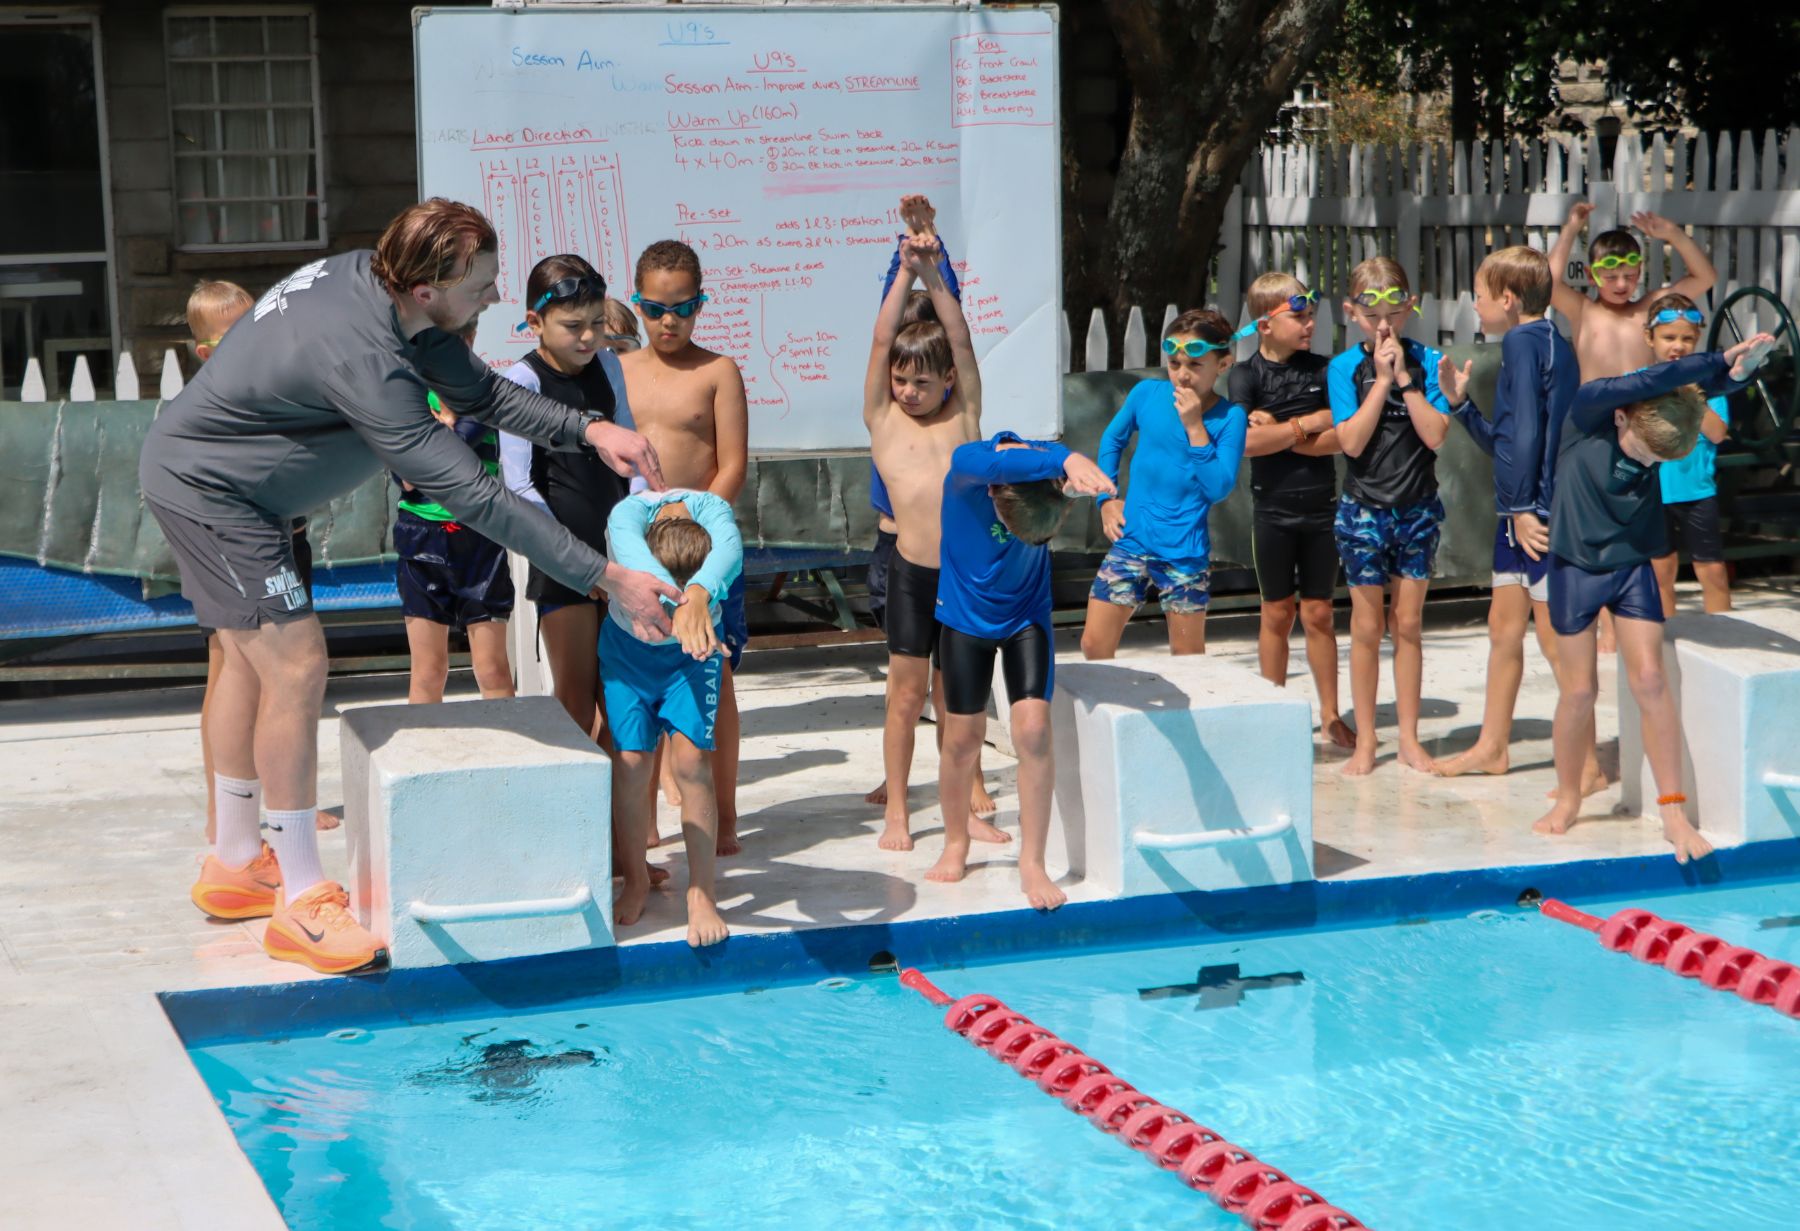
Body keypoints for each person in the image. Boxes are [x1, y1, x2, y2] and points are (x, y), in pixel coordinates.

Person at [143, 199, 676, 974]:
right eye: (483, 284)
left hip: (235, 483)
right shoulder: (369, 358)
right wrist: (604, 576)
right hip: (218, 494)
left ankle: (233, 861)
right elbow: (478, 497)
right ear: (429, 289)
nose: (494, 297)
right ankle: (299, 900)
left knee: (242, 658)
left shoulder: (378, 282)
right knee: (294, 664)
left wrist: (591, 428)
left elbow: (485, 396)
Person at [1532, 335, 1772, 861]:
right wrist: (1717, 359)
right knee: (1578, 693)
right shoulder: (1589, 412)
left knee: (1650, 681)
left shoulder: (1658, 426)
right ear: (1623, 419)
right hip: (1574, 566)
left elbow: (1688, 395)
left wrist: (1737, 374)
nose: (1646, 462)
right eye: (1643, 451)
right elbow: (1649, 380)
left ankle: (1672, 811)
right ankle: (1570, 796)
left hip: (1632, 562)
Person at [1431, 246, 1599, 792]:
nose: (1474, 306)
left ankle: (1590, 765)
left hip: (1537, 514)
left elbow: (1528, 435)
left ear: (1507, 298)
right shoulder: (1550, 341)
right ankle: (1493, 745)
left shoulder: (1527, 344)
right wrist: (1460, 406)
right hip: (1524, 510)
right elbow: (1510, 438)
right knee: (1504, 629)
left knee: (1556, 640)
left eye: (1479, 296)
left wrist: (1523, 508)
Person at [864, 206, 1004, 853]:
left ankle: (960, 809)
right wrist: (903, 270)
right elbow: (880, 338)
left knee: (960, 700)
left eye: (923, 380)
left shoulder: (964, 416)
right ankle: (897, 808)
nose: (910, 390)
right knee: (904, 696)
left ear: (950, 380)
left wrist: (935, 265)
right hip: (911, 574)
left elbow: (962, 337)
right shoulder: (883, 420)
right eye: (901, 379)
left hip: (964, 577)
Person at [932, 433, 1114, 907]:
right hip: (964, 619)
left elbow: (1087, 477)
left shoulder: (1049, 474)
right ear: (996, 494)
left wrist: (1092, 482)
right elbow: (969, 457)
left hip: (1026, 616)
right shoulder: (970, 473)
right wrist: (1069, 453)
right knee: (961, 738)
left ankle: (1031, 863)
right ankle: (956, 841)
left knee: (1033, 732)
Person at [186, 281, 337, 843]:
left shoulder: (265, 385)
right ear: (205, 352)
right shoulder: (215, 399)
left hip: (281, 541)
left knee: (276, 673)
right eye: (234, 336)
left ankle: (278, 799)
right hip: (229, 547)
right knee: (236, 668)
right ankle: (226, 808)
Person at [617, 240, 751, 856]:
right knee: (639, 682)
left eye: (683, 308)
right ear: (637, 304)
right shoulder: (619, 370)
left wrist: (697, 528)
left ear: (701, 303)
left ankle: (723, 817)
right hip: (639, 556)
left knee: (713, 679)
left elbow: (731, 466)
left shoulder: (718, 370)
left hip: (704, 552)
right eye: (654, 308)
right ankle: (642, 827)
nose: (668, 321)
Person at [1548, 206, 1717, 654]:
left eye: (1630, 274)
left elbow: (1703, 279)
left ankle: (1629, 612)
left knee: (1633, 521)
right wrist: (1569, 230)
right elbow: (1544, 284)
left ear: (1640, 271)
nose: (1622, 285)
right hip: (1592, 433)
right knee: (1592, 523)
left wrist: (1673, 234)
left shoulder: (1651, 310)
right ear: (1593, 274)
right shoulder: (1583, 310)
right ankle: (1602, 622)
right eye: (1612, 276)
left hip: (1639, 433)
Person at [499, 256, 634, 744]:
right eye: (573, 326)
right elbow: (517, 486)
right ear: (535, 322)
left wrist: (628, 545)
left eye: (597, 324)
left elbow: (632, 453)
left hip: (619, 555)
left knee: (624, 705)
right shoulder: (523, 381)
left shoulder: (607, 364)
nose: (588, 338)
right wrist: (579, 563)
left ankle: (622, 817)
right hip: (563, 563)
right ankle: (571, 815)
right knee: (575, 704)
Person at [1327, 257, 1451, 776]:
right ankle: (1367, 740)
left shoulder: (1429, 360)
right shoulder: (1341, 369)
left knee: (1409, 623)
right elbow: (1350, 442)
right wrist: (1378, 381)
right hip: (1362, 511)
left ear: (1410, 307)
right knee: (1365, 626)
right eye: (1372, 314)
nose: (1385, 325)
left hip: (1417, 509)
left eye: (1395, 312)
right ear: (1351, 312)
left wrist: (1404, 378)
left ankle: (1408, 737)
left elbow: (1436, 435)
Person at [603, 490, 741, 947]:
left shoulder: (713, 552)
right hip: (628, 657)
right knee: (631, 765)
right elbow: (626, 529)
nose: (672, 616)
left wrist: (700, 598)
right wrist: (676, 600)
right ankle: (638, 877)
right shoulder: (627, 528)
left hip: (691, 662)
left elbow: (729, 547)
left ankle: (701, 893)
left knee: (691, 766)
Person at [1227, 274, 1350, 746]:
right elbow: (1245, 445)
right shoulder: (1245, 375)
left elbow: (1342, 437)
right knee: (1276, 612)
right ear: (1264, 325)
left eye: (1310, 315)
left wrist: (1280, 429)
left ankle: (1332, 713)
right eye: (1298, 316)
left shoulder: (1325, 371)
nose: (1309, 323)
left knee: (1319, 613)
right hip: (1272, 512)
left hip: (1322, 511)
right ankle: (1274, 708)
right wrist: (1308, 423)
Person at [1082, 308, 1247, 659]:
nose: (1182, 376)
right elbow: (1112, 441)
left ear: (1223, 364)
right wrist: (1106, 498)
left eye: (1194, 366)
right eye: (1174, 364)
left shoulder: (1230, 417)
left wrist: (1194, 427)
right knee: (1094, 645)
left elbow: (1219, 488)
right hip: (1132, 540)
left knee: (1188, 659)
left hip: (1184, 553)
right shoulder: (1147, 394)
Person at [396, 322, 516, 704]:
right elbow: (407, 479)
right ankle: (423, 761)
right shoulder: (406, 396)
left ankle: (512, 760)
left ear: (472, 338)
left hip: (479, 538)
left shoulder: (483, 393)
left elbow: (453, 453)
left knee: (493, 669)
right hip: (421, 537)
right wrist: (444, 428)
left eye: (460, 339)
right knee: (428, 673)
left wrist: (440, 428)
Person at [1643, 293, 1734, 615]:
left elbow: (1718, 433)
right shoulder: (1640, 382)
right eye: (1669, 338)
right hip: (1653, 494)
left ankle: (1723, 639)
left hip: (1697, 493)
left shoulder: (1709, 385)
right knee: (1660, 573)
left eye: (1686, 339)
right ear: (1649, 337)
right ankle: (1666, 641)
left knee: (1712, 572)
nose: (1677, 346)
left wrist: (1689, 389)